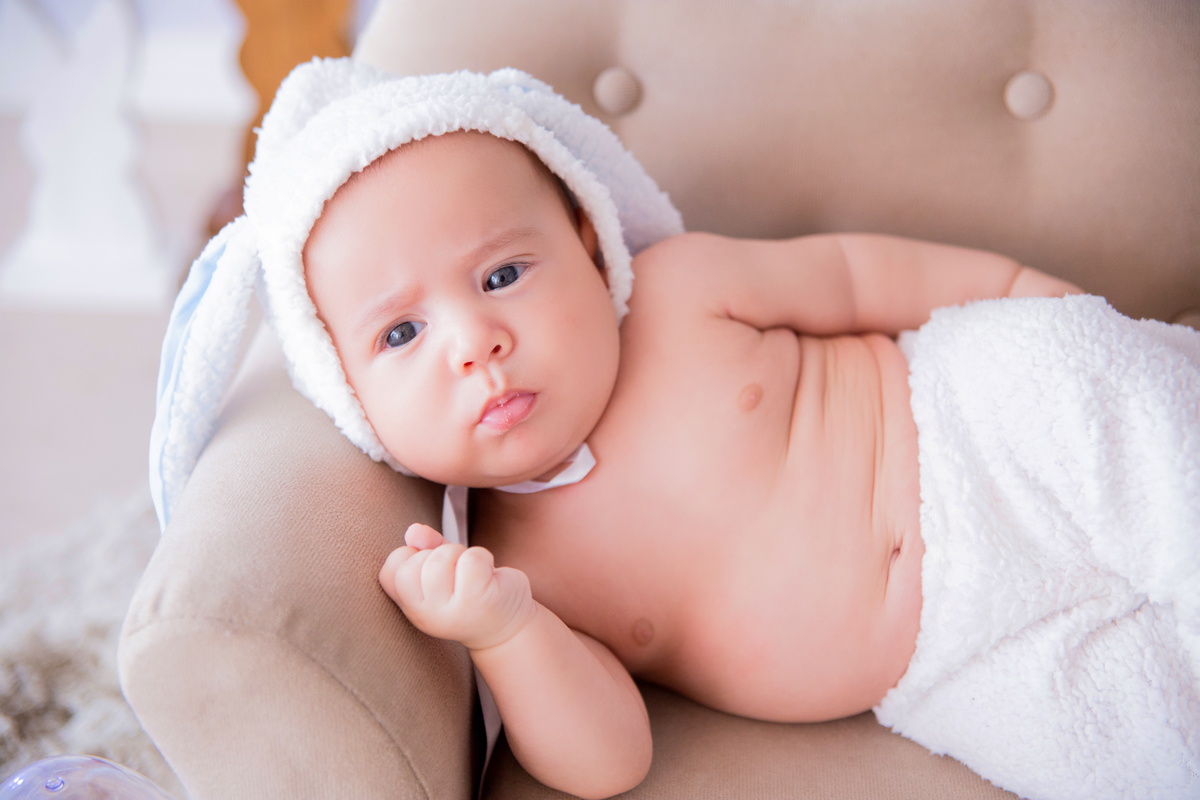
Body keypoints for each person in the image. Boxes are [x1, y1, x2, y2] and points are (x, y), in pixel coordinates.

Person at [152, 61, 1200, 800]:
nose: (476, 343)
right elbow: (609, 757)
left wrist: (1043, 307)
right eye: (402, 332)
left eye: (503, 274)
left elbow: (859, 275)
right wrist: (506, 633)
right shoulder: (517, 569)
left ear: (591, 245)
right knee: (1120, 747)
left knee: (1136, 435)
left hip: (986, 429)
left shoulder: (677, 293)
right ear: (347, 392)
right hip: (950, 660)